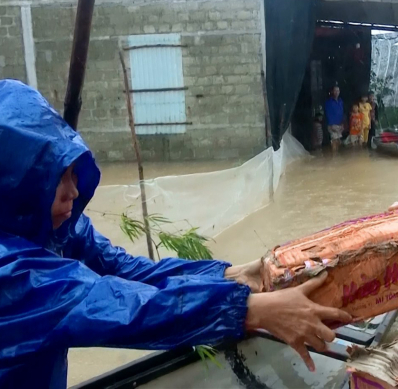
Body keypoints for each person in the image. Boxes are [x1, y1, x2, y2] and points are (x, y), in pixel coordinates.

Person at [0, 80, 352, 387]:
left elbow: (128, 271)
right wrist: (248, 309)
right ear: (15, 186)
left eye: (73, 172)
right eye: (53, 179)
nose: (73, 192)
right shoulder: (11, 273)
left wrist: (231, 274)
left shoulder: (58, 229)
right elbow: (118, 304)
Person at [325, 84, 344, 153]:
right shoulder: (328, 102)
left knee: (338, 141)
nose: (336, 92)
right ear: (332, 92)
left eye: (338, 91)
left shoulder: (340, 101)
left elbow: (342, 113)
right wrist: (331, 125)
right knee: (334, 140)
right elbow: (328, 114)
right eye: (335, 90)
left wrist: (342, 124)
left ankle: (336, 155)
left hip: (339, 124)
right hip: (332, 124)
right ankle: (334, 157)